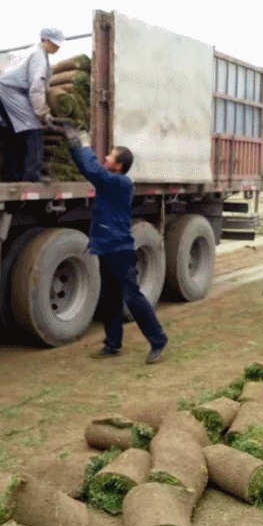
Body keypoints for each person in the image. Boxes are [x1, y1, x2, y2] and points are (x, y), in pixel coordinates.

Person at [61, 124, 168, 363]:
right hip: (106, 248)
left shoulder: (120, 183)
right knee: (110, 298)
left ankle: (158, 340)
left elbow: (93, 171)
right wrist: (74, 148)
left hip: (119, 250)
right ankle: (113, 343)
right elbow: (88, 170)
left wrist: (84, 145)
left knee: (132, 297)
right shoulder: (110, 182)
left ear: (118, 166)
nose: (105, 157)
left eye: (109, 155)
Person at [0, 28, 64, 182]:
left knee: (15, 133)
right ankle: (33, 174)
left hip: (6, 90)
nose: (57, 48)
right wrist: (43, 112)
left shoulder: (35, 53)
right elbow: (36, 87)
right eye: (55, 44)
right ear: (46, 40)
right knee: (34, 129)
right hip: (11, 91)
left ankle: (13, 175)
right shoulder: (38, 55)